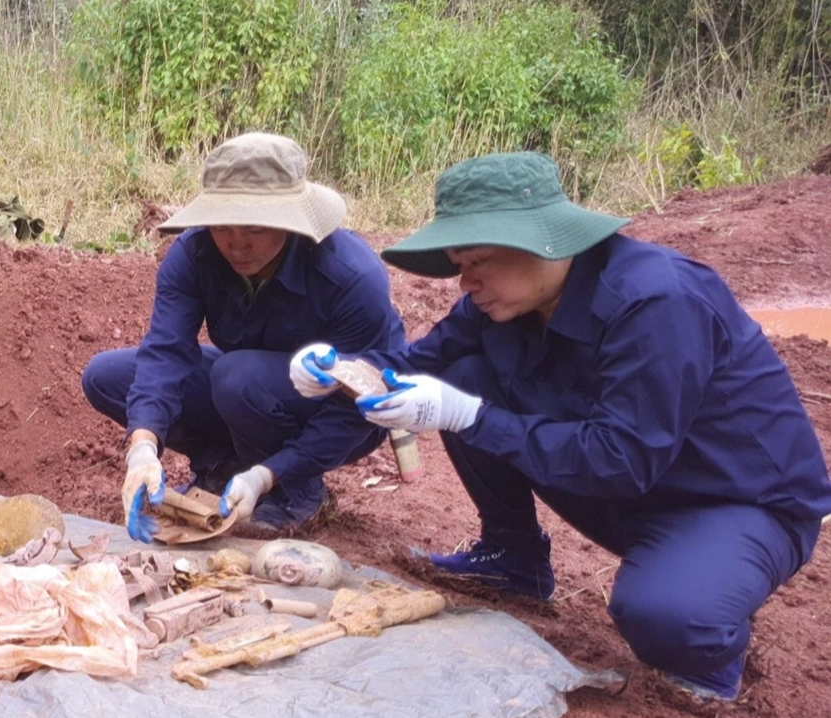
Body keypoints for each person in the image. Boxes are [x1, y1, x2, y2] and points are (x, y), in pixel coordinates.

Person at [289, 151, 831, 701]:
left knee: (669, 615)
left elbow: (621, 461)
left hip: (732, 502)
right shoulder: (500, 301)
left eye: (478, 261)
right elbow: (417, 366)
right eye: (459, 264)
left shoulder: (654, 300)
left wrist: (468, 415)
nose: (465, 282)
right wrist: (340, 370)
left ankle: (708, 653)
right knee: (464, 373)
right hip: (622, 486)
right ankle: (513, 558)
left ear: (541, 241)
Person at [82, 132, 405, 543]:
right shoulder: (194, 254)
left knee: (238, 378)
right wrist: (143, 445)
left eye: (254, 226)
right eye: (222, 225)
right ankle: (222, 469)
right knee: (107, 377)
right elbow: (165, 352)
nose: (236, 243)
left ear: (289, 220)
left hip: (342, 411)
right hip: (246, 391)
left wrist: (271, 474)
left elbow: (360, 409)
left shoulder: (352, 276)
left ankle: (298, 492)